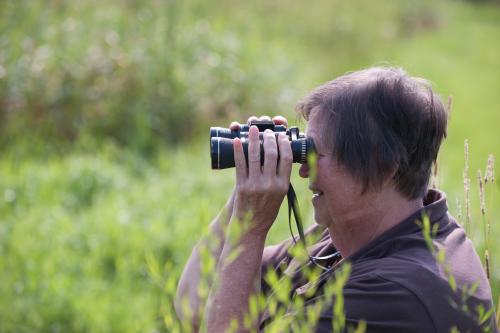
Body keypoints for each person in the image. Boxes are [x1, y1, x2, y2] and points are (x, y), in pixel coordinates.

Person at [175, 67, 497, 332]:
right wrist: (245, 190)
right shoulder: (347, 234)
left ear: (383, 167)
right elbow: (194, 302)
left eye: (315, 153)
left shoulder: (398, 294)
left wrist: (252, 226)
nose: (302, 172)